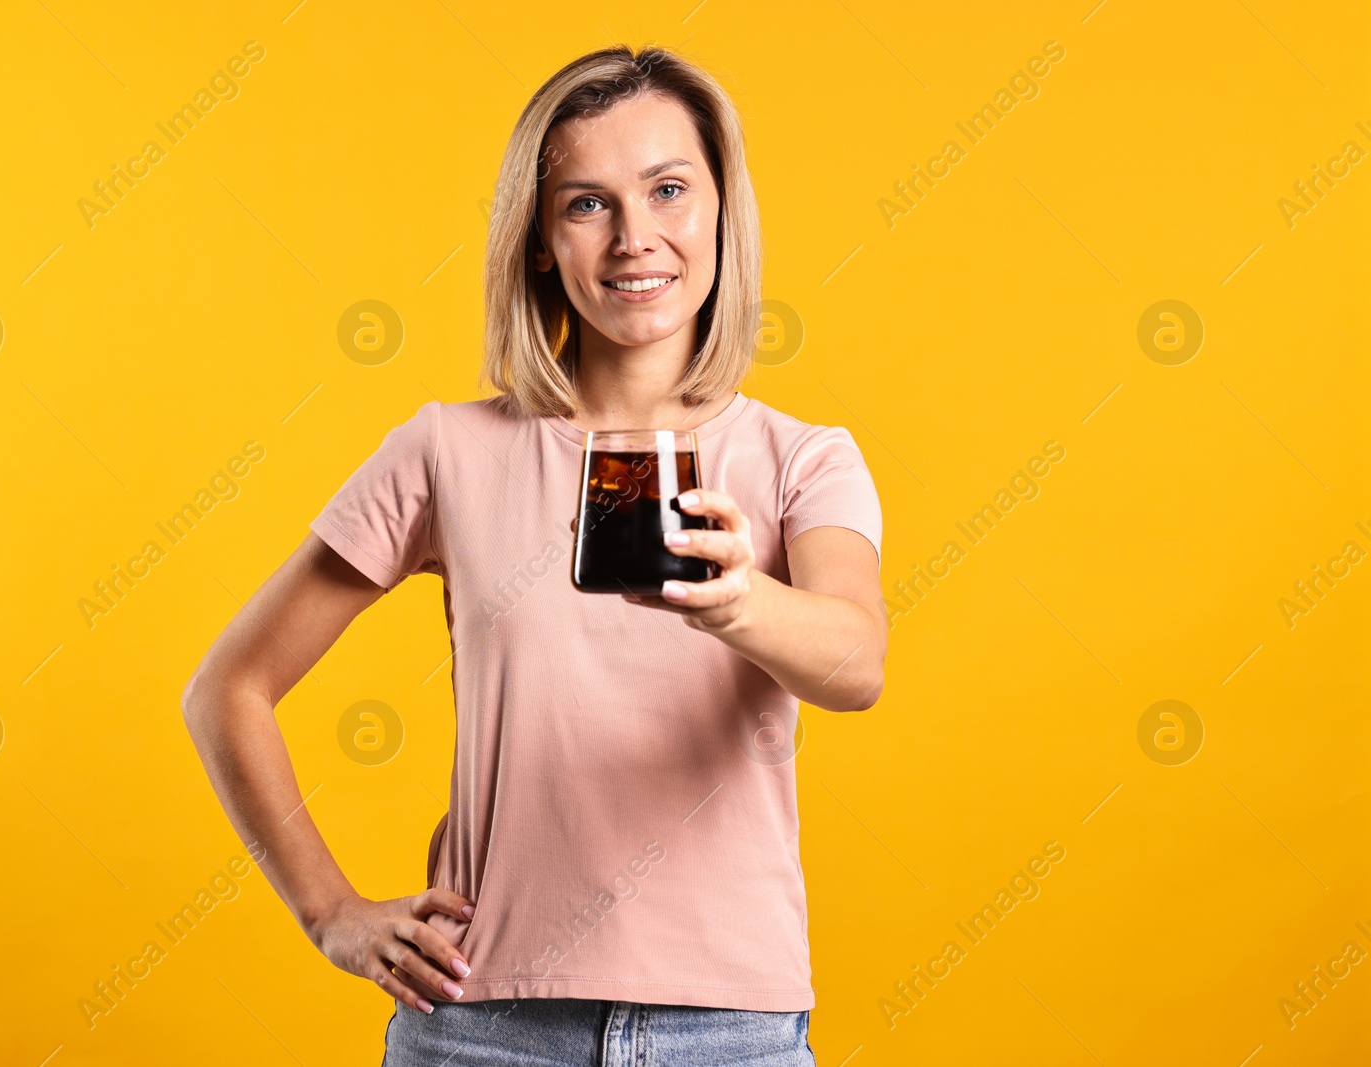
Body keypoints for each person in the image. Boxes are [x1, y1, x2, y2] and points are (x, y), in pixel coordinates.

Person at [181, 43, 887, 1067]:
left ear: (722, 212)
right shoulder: (448, 450)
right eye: (586, 205)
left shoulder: (801, 458)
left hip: (729, 1032)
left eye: (668, 189)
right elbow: (228, 686)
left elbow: (855, 660)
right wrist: (330, 911)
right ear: (541, 242)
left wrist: (736, 601)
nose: (634, 238)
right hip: (480, 1026)